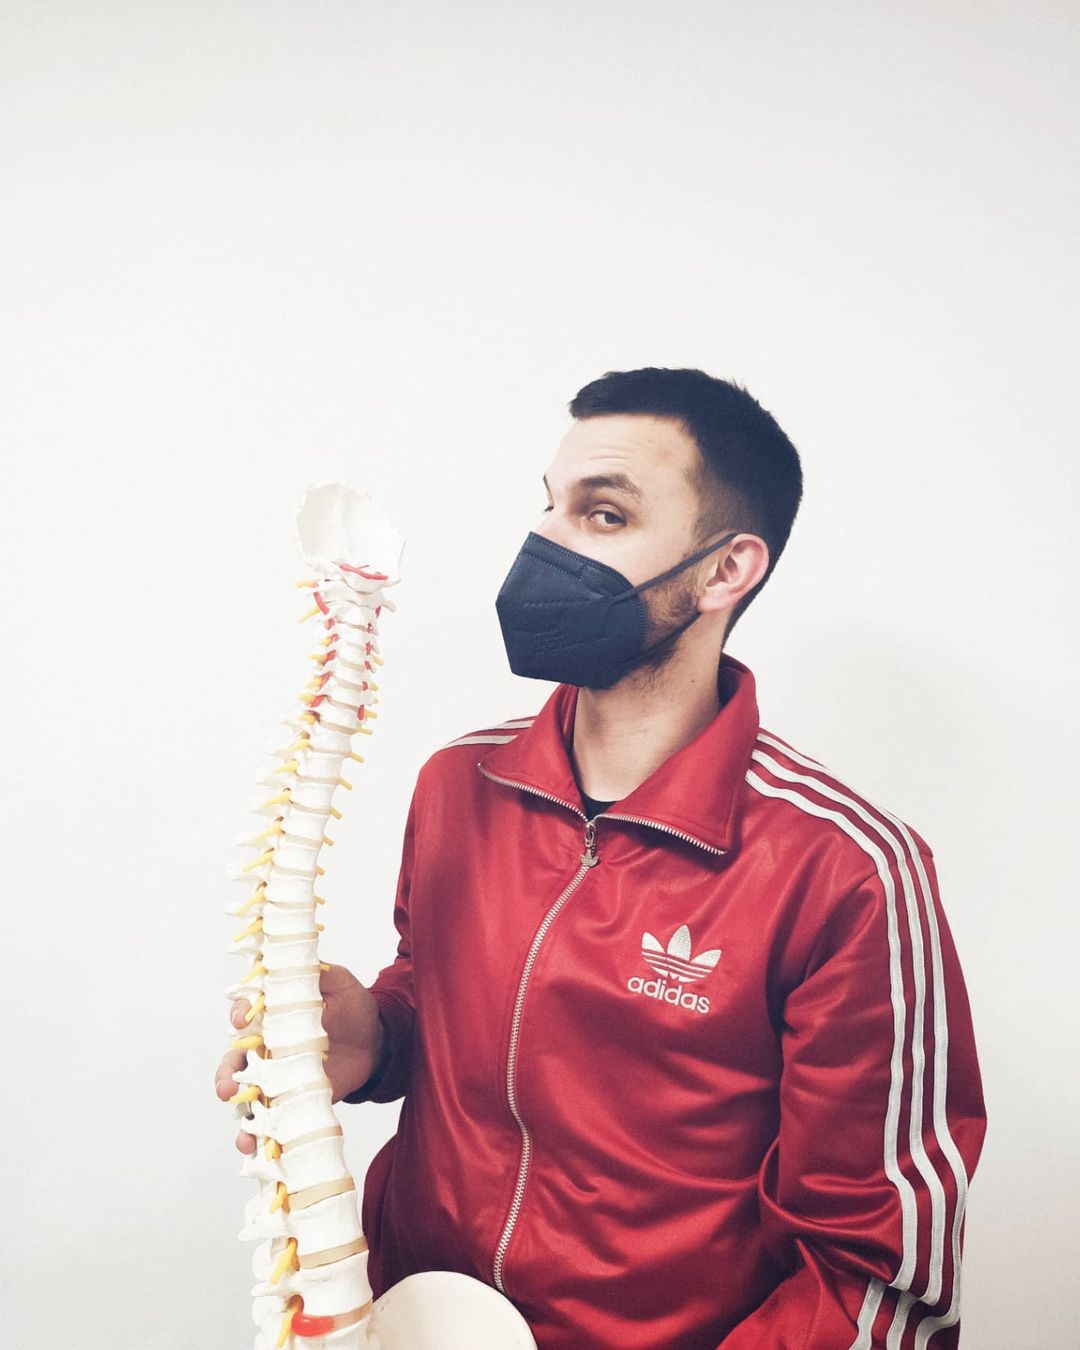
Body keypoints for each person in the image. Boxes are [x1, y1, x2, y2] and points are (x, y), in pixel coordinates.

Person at [216, 367, 986, 1348]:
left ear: (725, 570)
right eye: (549, 505)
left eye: (604, 514)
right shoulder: (460, 783)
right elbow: (446, 992)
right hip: (408, 1317)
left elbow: (878, 1285)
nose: (547, 541)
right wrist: (382, 1035)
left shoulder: (846, 870)